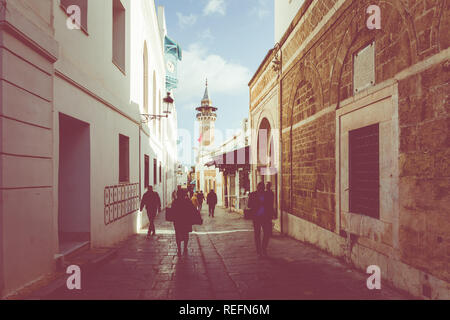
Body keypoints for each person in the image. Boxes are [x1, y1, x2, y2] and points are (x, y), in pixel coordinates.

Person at [248, 182, 272, 257]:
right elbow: (249, 205)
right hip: (257, 217)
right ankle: (259, 251)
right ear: (257, 187)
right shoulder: (252, 195)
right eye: (260, 187)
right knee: (257, 234)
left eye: (262, 187)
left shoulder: (267, 194)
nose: (262, 188)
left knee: (267, 234)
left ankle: (263, 248)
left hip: (265, 217)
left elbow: (270, 205)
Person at [171, 189, 198, 257]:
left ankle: (179, 249)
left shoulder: (175, 202)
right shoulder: (187, 201)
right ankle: (185, 247)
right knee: (186, 234)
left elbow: (172, 211)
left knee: (177, 234)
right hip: (186, 221)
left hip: (177, 221)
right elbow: (193, 209)